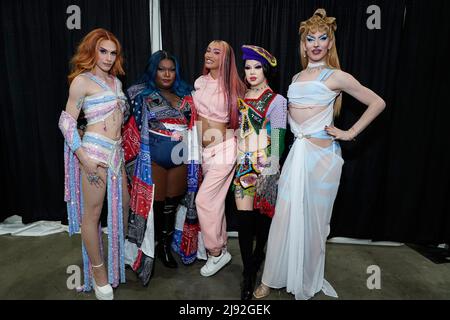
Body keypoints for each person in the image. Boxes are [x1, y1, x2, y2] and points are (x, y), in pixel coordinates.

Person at [253, 9, 386, 300]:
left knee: (315, 222)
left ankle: (306, 279)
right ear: (303, 44)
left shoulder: (337, 76)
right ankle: (272, 277)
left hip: (322, 160)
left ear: (329, 43)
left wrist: (349, 133)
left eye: (321, 38)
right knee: (284, 217)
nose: (315, 43)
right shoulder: (297, 75)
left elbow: (377, 102)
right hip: (296, 154)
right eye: (309, 38)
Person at [58, 28, 130, 300]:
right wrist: (84, 160)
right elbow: (66, 123)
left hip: (117, 155)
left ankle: (115, 259)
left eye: (113, 52)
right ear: (92, 51)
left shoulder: (116, 82)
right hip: (94, 154)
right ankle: (100, 276)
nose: (109, 57)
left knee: (123, 208)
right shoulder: (81, 81)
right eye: (103, 51)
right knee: (93, 215)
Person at [122, 50, 197, 286]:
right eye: (161, 69)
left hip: (181, 158)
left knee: (172, 202)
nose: (167, 73)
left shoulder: (187, 94)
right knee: (155, 203)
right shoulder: (138, 94)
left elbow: (197, 125)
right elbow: (125, 124)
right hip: (152, 158)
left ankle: (165, 246)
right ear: (153, 70)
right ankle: (149, 248)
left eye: (171, 69)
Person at [234, 45, 287, 300]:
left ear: (265, 70)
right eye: (247, 67)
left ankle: (257, 257)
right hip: (244, 165)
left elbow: (278, 136)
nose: (252, 72)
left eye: (257, 67)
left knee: (262, 221)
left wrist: (272, 167)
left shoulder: (276, 100)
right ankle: (248, 273)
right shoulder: (242, 96)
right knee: (244, 222)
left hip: (266, 166)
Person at [193, 40, 247, 277]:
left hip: (225, 148)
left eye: (217, 52)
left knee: (203, 200)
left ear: (226, 58)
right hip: (203, 152)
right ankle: (221, 245)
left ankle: (215, 252)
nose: (209, 54)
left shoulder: (234, 86)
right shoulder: (199, 82)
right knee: (214, 203)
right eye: (208, 49)